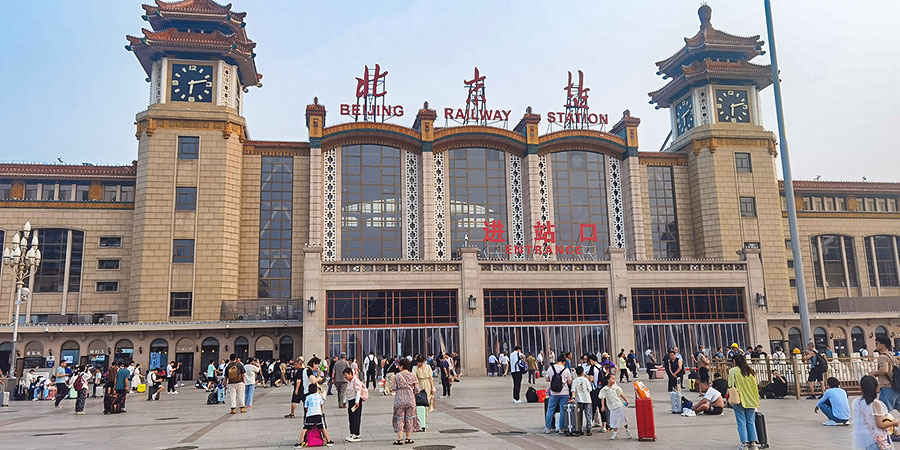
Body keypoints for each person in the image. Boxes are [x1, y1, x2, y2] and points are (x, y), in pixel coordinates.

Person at [852, 375, 899, 450]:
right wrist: (894, 423)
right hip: (877, 438)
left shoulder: (857, 402)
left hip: (864, 438)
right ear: (877, 388)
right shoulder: (876, 404)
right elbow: (880, 424)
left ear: (860, 388)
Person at [728, 354, 760, 450]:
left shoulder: (733, 371)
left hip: (739, 399)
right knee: (751, 421)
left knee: (741, 421)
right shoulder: (751, 372)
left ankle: (744, 444)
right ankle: (753, 443)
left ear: (734, 361)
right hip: (751, 399)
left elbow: (730, 385)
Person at [391, 359, 421, 445]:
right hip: (410, 400)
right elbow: (417, 390)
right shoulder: (413, 375)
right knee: (409, 419)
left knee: (399, 419)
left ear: (401, 366)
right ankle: (408, 438)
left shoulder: (397, 376)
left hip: (399, 400)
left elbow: (393, 388)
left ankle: (400, 439)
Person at [296, 383, 334, 447]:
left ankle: (299, 443)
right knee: (322, 428)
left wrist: (308, 412)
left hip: (310, 414)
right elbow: (321, 404)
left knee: (305, 428)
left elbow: (306, 407)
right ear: (316, 390)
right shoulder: (319, 396)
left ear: (308, 391)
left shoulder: (307, 397)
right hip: (318, 414)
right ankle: (329, 441)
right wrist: (321, 412)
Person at [543, 355, 573, 434]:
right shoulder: (566, 370)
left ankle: (547, 428)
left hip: (553, 393)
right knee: (562, 411)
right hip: (564, 393)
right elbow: (569, 382)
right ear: (563, 362)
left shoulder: (551, 368)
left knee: (550, 410)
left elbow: (547, 379)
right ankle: (561, 429)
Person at [870, 336, 900, 414]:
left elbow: (884, 370)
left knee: (883, 411)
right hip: (896, 386)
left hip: (887, 387)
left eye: (877, 343)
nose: (876, 345)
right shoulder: (890, 355)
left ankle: (885, 425)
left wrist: (874, 373)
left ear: (883, 345)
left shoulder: (882, 357)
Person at [600, 376, 632, 440]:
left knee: (624, 418)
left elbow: (620, 394)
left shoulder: (616, 387)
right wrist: (603, 406)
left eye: (614, 378)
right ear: (608, 380)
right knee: (613, 421)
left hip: (619, 405)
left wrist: (625, 400)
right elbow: (602, 398)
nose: (613, 380)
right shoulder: (604, 389)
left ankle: (627, 430)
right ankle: (615, 433)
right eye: (612, 378)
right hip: (612, 407)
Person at [343, 367, 366, 443]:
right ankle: (352, 433)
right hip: (351, 401)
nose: (345, 377)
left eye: (346, 375)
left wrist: (357, 402)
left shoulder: (355, 380)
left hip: (355, 401)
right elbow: (348, 392)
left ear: (350, 374)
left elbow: (358, 391)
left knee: (355, 418)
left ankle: (356, 434)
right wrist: (345, 401)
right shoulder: (349, 382)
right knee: (351, 418)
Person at [571, 366, 594, 436]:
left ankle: (579, 429)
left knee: (579, 415)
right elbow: (590, 389)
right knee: (588, 415)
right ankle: (589, 429)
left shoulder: (575, 380)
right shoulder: (586, 380)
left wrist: (573, 398)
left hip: (579, 400)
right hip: (587, 399)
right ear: (583, 372)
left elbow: (573, 390)